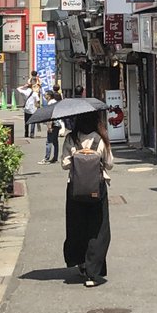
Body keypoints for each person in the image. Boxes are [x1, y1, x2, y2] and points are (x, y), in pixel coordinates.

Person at [61, 110, 113, 286]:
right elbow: (109, 164)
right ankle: (93, 273)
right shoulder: (101, 138)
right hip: (97, 188)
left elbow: (64, 164)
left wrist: (78, 156)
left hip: (75, 189)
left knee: (77, 226)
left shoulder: (71, 138)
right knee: (98, 228)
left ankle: (80, 262)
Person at [17, 73, 40, 139]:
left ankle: (26, 133)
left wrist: (24, 86)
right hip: (33, 109)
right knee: (33, 121)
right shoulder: (35, 93)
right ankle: (32, 134)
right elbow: (38, 100)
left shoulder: (25, 92)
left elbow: (18, 88)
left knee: (26, 122)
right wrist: (38, 107)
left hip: (26, 109)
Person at [43, 91, 61, 164]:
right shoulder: (55, 102)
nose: (44, 96)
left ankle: (46, 158)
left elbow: (51, 115)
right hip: (57, 123)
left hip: (53, 124)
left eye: (45, 95)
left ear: (49, 96)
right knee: (55, 142)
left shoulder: (50, 103)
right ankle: (55, 158)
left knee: (49, 141)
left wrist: (49, 126)